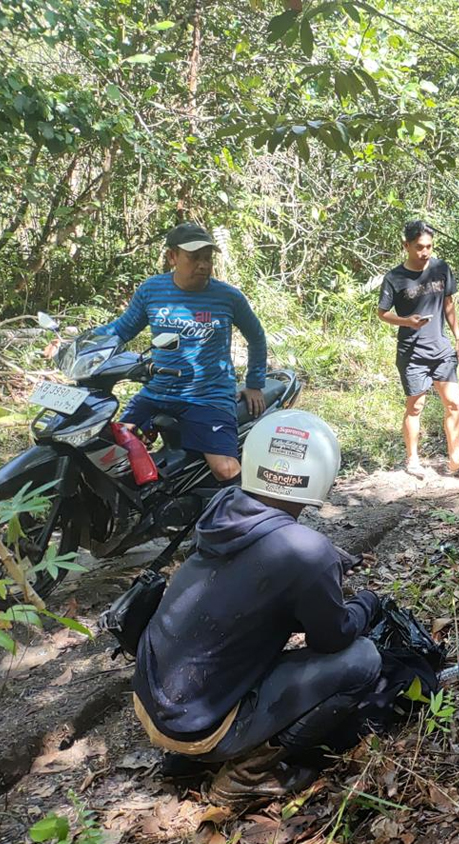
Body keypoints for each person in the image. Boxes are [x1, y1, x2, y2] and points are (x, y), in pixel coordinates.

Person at [132, 409, 383, 803]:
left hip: (153, 697)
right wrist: (366, 603)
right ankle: (248, 774)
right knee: (362, 659)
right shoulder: (306, 553)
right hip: (197, 726)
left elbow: (253, 567)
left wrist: (320, 560)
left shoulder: (222, 508)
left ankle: (197, 756)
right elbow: (333, 638)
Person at [95, 222, 268, 483]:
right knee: (111, 454)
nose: (203, 265)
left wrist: (254, 383)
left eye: (207, 258)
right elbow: (121, 330)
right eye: (194, 257)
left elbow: (256, 336)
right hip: (157, 391)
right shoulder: (152, 291)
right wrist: (80, 344)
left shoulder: (228, 297)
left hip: (208, 396)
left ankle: (245, 518)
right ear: (172, 256)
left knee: (224, 469)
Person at [377, 219, 459, 479]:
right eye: (419, 247)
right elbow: (382, 313)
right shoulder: (394, 278)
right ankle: (413, 459)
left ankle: (455, 459)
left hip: (441, 349)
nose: (425, 252)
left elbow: (449, 304)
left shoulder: (441, 269)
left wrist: (458, 338)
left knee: (454, 403)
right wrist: (407, 321)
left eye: (428, 246)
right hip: (412, 352)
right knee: (415, 407)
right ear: (406, 245)